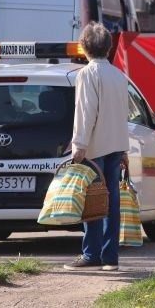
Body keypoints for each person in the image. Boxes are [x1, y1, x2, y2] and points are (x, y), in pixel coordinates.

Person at [64, 22, 130, 271]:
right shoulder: (118, 75)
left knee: (92, 201)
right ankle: (110, 257)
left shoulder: (87, 74)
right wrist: (124, 149)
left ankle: (91, 254)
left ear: (84, 47)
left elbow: (85, 112)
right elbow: (122, 115)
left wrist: (79, 144)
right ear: (108, 47)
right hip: (115, 145)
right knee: (111, 203)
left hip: (94, 147)